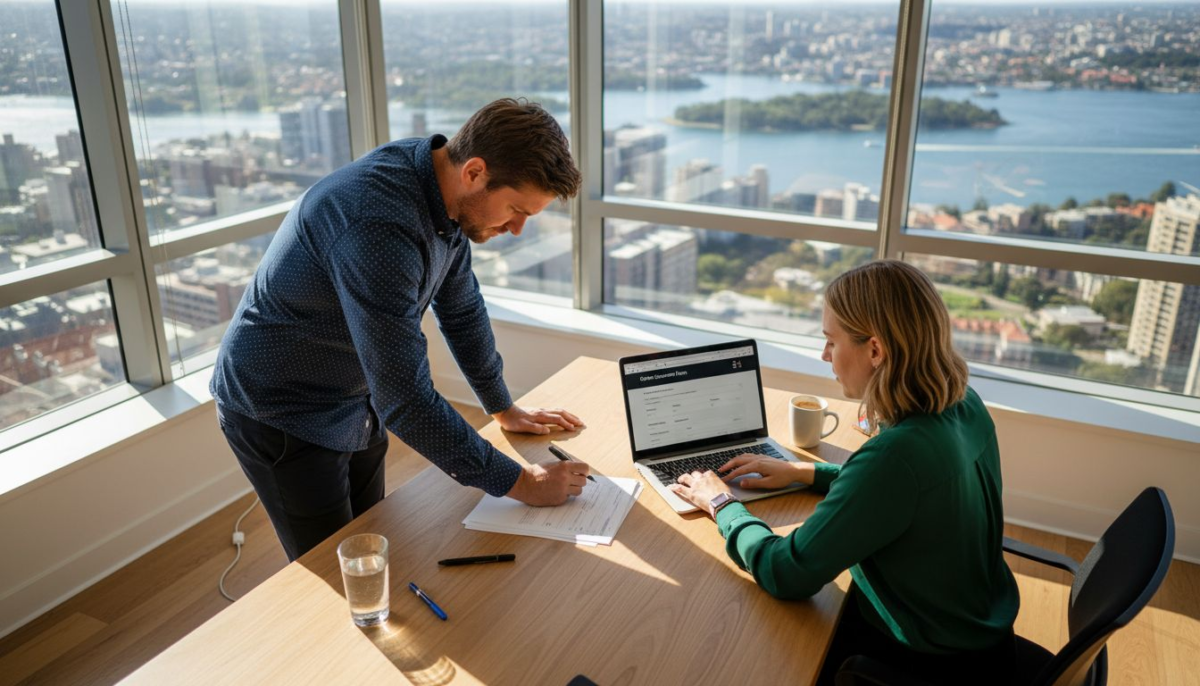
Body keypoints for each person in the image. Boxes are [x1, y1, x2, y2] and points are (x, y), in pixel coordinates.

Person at [211, 98, 591, 561]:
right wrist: (520, 483)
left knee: (370, 539)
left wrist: (502, 407)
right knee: (338, 569)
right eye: (516, 210)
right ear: (474, 172)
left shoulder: (442, 188)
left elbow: (462, 309)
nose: (517, 230)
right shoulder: (378, 223)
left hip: (355, 393)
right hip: (281, 408)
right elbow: (406, 400)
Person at [669, 259, 1020, 685]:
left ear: (875, 350)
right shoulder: (964, 403)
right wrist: (804, 473)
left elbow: (787, 573)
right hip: (981, 627)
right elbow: (911, 492)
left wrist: (721, 503)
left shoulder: (895, 457)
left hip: (928, 659)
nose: (825, 355)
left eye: (831, 342)